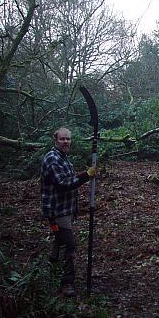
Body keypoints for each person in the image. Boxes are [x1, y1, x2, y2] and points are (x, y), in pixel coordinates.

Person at [41, 127, 96, 297]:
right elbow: (63, 183)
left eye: (68, 139)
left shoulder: (63, 157)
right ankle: (67, 283)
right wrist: (85, 176)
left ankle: (47, 276)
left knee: (59, 242)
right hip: (57, 211)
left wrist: (83, 175)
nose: (66, 142)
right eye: (62, 139)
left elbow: (68, 179)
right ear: (55, 140)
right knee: (69, 244)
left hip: (66, 209)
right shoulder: (52, 158)